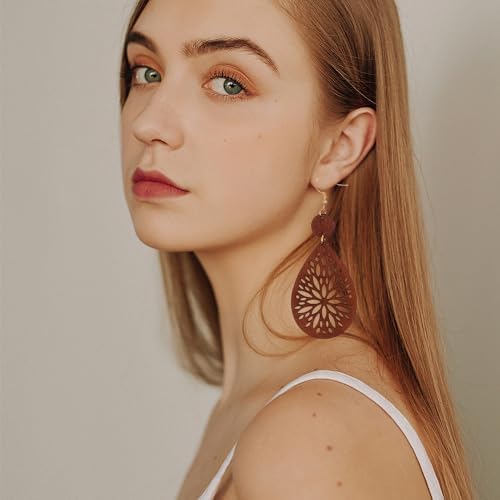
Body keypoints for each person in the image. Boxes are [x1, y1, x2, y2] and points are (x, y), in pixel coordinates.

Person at [118, 0, 475, 498]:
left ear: (340, 147)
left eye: (228, 84)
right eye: (148, 72)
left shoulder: (306, 439)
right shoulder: (266, 409)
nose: (149, 123)